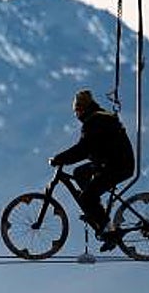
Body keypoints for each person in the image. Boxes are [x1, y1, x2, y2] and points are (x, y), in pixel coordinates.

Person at [49, 89, 135, 251]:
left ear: (83, 107)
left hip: (118, 165)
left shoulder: (95, 121)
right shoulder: (98, 117)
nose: (76, 114)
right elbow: (88, 149)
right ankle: (95, 209)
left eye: (77, 110)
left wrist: (59, 158)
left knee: (87, 198)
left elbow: (83, 149)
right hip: (112, 162)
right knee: (79, 173)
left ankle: (110, 232)